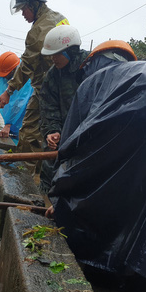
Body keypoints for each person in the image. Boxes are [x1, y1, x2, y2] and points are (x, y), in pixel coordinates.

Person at [46, 40, 146, 292]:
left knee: (118, 185)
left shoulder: (100, 79)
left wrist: (61, 199)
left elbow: (75, 149)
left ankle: (111, 273)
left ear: (92, 63)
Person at [0, 0, 69, 182]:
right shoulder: (58, 17)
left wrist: (9, 91)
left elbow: (27, 64)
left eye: (24, 10)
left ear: (34, 5)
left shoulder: (38, 31)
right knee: (52, 133)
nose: (23, 14)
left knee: (29, 132)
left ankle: (22, 179)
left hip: (47, 87)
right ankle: (40, 176)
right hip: (66, 87)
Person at [37, 25, 91, 194]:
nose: (53, 59)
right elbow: (48, 106)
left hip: (88, 135)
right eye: (51, 54)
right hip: (62, 133)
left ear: (70, 51)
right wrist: (52, 130)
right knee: (49, 165)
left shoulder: (92, 68)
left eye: (57, 54)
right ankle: (44, 200)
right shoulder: (53, 75)